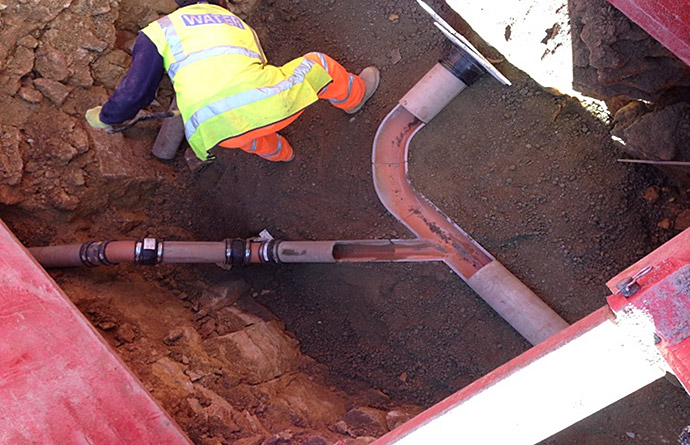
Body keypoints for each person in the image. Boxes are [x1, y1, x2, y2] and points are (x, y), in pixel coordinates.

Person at [85, 0, 380, 163]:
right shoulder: (235, 22)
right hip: (268, 107)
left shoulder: (158, 31)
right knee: (318, 64)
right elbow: (259, 65)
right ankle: (354, 97)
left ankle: (282, 154)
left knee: (244, 130)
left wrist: (106, 117)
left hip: (211, 133)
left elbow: (135, 92)